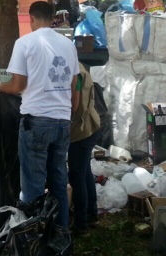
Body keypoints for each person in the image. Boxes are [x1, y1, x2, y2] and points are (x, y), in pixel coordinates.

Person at [0, 1, 79, 239]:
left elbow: (18, 85)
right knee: (59, 181)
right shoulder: (68, 44)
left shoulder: (25, 43)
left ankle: (35, 241)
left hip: (36, 121)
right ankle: (60, 235)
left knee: (33, 187)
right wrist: (69, 110)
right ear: (53, 19)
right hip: (62, 121)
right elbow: (74, 84)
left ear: (31, 18)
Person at [68, 63, 101, 236]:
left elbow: (76, 105)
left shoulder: (77, 74)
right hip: (89, 127)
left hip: (82, 130)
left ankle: (81, 225)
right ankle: (91, 215)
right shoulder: (80, 67)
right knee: (84, 170)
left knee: (76, 175)